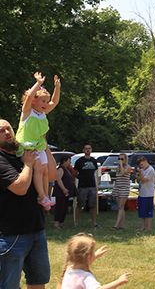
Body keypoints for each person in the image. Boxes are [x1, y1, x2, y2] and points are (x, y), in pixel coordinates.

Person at [0, 118, 55, 288]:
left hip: (37, 230)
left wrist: (42, 142)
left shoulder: (24, 150)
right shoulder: (2, 160)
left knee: (39, 281)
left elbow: (52, 174)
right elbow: (20, 188)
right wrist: (29, 165)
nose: (7, 133)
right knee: (8, 285)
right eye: (1, 131)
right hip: (11, 236)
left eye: (8, 128)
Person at [16, 72, 61, 209]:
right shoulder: (27, 112)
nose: (46, 104)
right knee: (40, 169)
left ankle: (46, 196)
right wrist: (38, 84)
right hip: (27, 146)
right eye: (43, 101)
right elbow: (29, 96)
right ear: (34, 100)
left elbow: (55, 102)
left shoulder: (42, 113)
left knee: (46, 171)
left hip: (39, 146)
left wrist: (57, 87)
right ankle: (41, 196)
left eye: (47, 102)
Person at [60, 233, 130, 289]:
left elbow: (82, 262)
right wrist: (119, 281)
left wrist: (94, 256)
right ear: (88, 257)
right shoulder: (86, 277)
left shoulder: (69, 269)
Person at [74, 144, 99, 228]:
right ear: (83, 150)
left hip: (92, 185)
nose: (88, 150)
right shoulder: (79, 161)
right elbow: (74, 172)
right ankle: (76, 222)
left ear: (91, 150)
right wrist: (79, 177)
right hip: (82, 186)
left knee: (93, 205)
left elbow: (96, 171)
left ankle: (94, 222)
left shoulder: (94, 161)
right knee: (80, 204)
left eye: (89, 148)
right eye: (86, 149)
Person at [53, 156, 76, 229]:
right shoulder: (61, 169)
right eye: (69, 161)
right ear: (65, 161)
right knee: (60, 207)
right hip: (61, 192)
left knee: (64, 208)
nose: (70, 163)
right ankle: (56, 223)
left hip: (66, 193)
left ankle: (61, 222)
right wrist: (63, 189)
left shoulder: (67, 169)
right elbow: (58, 179)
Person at [112, 153, 132, 230]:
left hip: (124, 188)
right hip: (117, 187)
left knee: (120, 206)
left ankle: (116, 225)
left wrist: (121, 165)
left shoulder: (128, 167)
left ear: (125, 159)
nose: (120, 160)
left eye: (122, 159)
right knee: (120, 207)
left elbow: (123, 173)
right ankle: (122, 225)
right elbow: (117, 177)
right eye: (119, 159)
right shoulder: (117, 167)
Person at [137, 156, 155, 232]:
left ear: (145, 161)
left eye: (142, 164)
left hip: (148, 194)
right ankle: (142, 227)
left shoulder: (151, 170)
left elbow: (144, 180)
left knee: (148, 212)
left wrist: (140, 173)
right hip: (142, 193)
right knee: (141, 212)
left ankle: (148, 228)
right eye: (140, 165)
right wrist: (138, 175)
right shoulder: (142, 170)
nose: (141, 166)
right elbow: (139, 180)